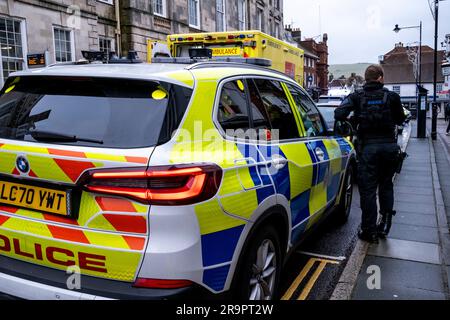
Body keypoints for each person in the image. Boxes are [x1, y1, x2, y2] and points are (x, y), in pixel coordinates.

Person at [335, 65, 406, 243]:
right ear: (380, 78)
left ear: (366, 79)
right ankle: (385, 224)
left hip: (368, 150)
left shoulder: (357, 96)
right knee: (386, 186)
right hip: (389, 149)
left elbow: (338, 114)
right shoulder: (392, 97)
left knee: (367, 191)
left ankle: (369, 230)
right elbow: (400, 119)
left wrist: (355, 119)